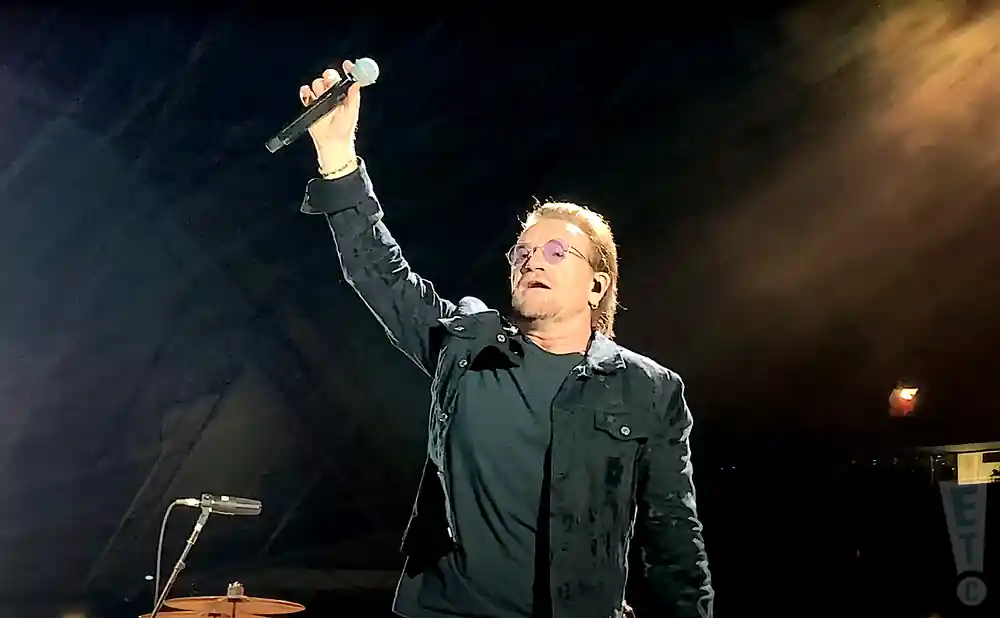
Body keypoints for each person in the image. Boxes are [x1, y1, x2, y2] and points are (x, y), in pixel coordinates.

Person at [295, 61, 714, 618]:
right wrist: (337, 156)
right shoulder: (466, 347)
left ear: (597, 283)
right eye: (522, 252)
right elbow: (379, 272)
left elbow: (674, 540)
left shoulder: (649, 390)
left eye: (556, 252)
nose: (531, 260)